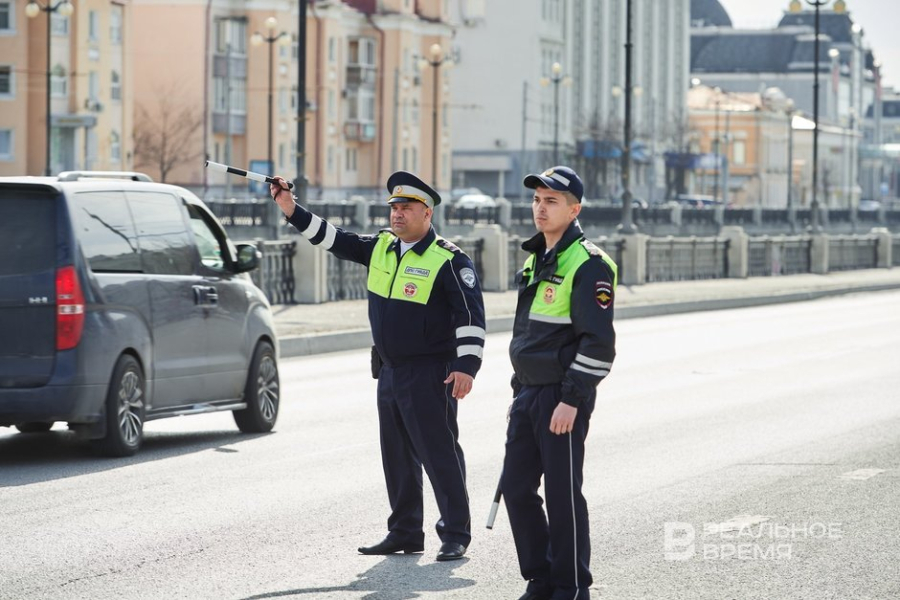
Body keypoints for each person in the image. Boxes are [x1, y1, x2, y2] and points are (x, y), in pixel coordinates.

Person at [270, 172, 485, 562]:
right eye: (394, 208)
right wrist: (290, 209)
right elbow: (334, 239)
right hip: (389, 371)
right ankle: (404, 531)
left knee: (439, 454)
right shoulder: (382, 247)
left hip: (430, 372)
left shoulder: (449, 259)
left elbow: (470, 315)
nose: (398, 214)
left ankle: (455, 533)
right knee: (397, 456)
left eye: (406, 208)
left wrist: (467, 366)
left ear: (427, 212)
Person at [501, 166, 617, 600]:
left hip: (561, 396)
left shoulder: (590, 264)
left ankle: (570, 585)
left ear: (574, 209)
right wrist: (518, 390)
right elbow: (528, 334)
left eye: (551, 201)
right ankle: (541, 576)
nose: (540, 208)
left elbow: (599, 344)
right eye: (536, 200)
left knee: (563, 493)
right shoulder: (537, 259)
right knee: (516, 487)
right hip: (530, 393)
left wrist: (571, 399)